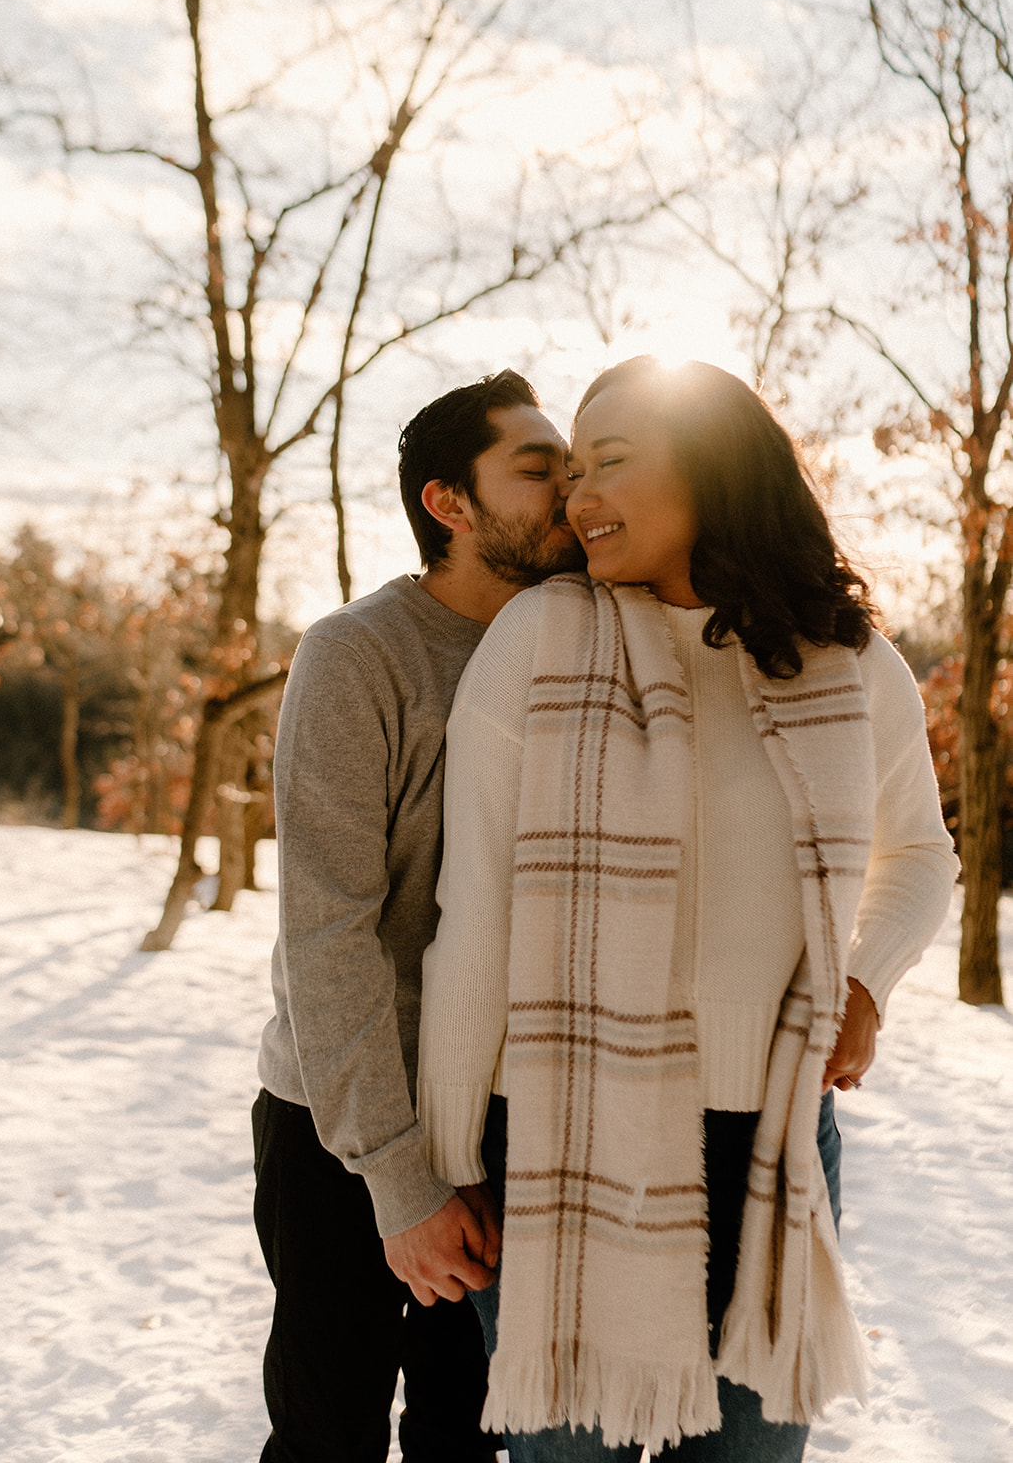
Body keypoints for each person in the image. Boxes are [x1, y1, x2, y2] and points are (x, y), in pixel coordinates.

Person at [409, 358, 958, 1462]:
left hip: (772, 1146)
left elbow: (917, 856)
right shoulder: (540, 641)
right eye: (569, 473)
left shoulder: (849, 665)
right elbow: (472, 916)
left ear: (713, 471)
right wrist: (438, 1160)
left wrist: (863, 982)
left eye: (610, 464)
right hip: (552, 1146)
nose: (577, 499)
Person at [252, 368, 585, 1463]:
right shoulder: (359, 654)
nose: (567, 488)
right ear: (448, 503)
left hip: (500, 1116)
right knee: (327, 1433)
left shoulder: (578, 641)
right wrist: (400, 1181)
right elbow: (323, 930)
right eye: (535, 469)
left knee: (466, 1438)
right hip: (343, 1121)